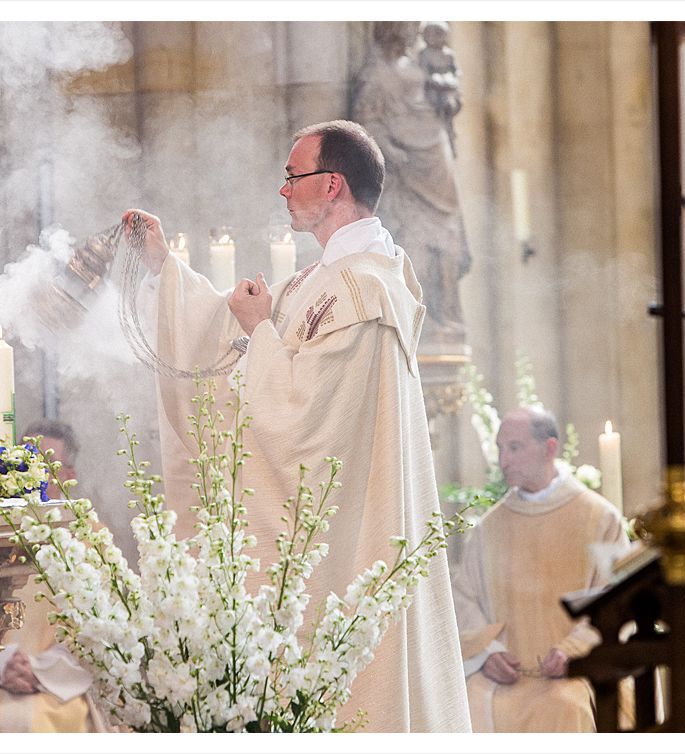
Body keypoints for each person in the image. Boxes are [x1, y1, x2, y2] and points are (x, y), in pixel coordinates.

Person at [120, 119, 471, 733]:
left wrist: (259, 331)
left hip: (342, 552)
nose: (283, 190)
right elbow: (223, 332)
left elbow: (306, 425)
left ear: (331, 184)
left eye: (292, 176)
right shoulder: (326, 279)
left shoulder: (363, 292)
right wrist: (165, 268)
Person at [451, 406, 631, 732]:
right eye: (500, 448)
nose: (503, 460)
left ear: (549, 448)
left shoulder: (600, 519)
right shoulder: (489, 528)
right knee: (465, 703)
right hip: (503, 676)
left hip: (574, 674)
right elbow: (464, 599)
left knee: (565, 708)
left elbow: (617, 598)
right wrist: (487, 654)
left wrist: (572, 652)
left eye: (514, 448)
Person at [352, 21, 470, 343]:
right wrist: (390, 150)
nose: (412, 33)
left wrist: (449, 98)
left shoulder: (422, 62)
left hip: (435, 156)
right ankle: (421, 317)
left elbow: (447, 93)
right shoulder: (375, 74)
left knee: (448, 241)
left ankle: (445, 315)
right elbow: (367, 120)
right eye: (405, 26)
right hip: (404, 165)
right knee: (416, 244)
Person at [0, 419, 103, 733]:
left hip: (59, 686)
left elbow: (96, 638)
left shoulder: (90, 540)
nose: (31, 477)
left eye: (43, 466)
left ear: (69, 476)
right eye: (25, 465)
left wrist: (38, 671)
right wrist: (2, 665)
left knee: (21, 721)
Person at [417, 21, 463, 154]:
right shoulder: (424, 54)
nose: (433, 37)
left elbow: (456, 71)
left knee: (449, 112)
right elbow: (424, 75)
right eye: (430, 34)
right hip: (433, 93)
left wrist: (452, 80)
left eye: (437, 34)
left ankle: (449, 141)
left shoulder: (448, 54)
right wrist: (437, 81)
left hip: (449, 92)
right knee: (435, 120)